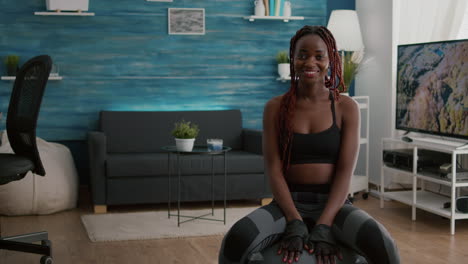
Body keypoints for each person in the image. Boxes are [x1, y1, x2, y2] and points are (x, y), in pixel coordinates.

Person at [218, 25, 400, 264]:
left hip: (334, 205)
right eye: (302, 55)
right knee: (236, 239)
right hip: (287, 204)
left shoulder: (346, 108)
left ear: (331, 59)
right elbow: (273, 169)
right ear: (293, 59)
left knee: (383, 243)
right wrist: (294, 220)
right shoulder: (275, 108)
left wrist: (324, 225)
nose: (310, 62)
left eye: (318, 55)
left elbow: (345, 173)